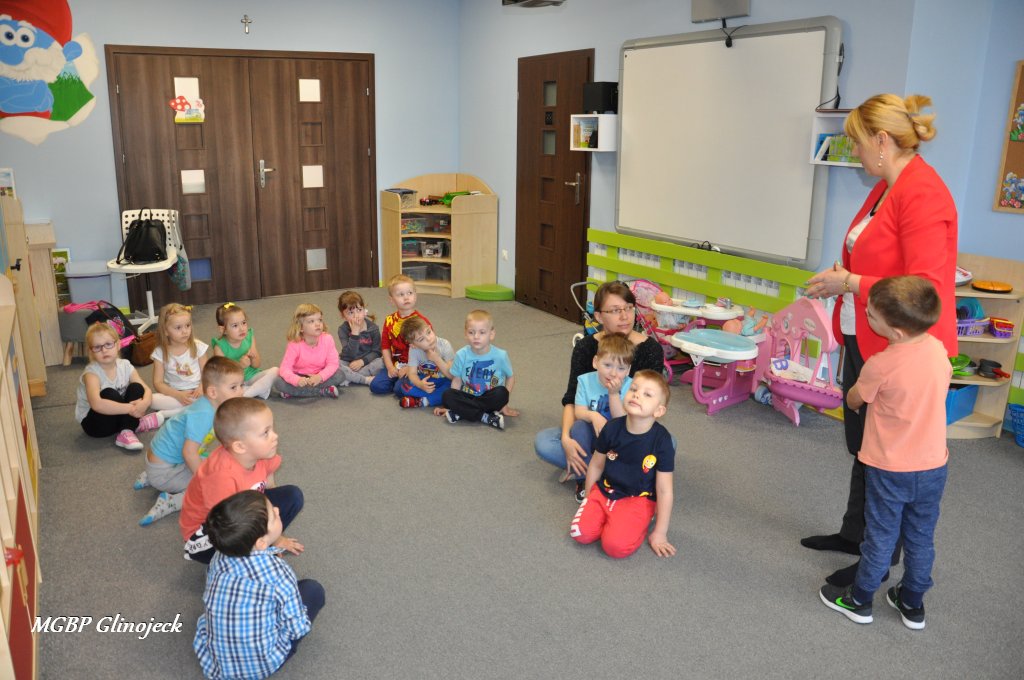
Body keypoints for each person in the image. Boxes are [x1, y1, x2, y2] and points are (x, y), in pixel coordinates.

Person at [802, 94, 958, 587]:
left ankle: (878, 557)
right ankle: (856, 534)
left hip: (899, 346)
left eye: (857, 142)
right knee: (863, 445)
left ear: (882, 140)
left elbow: (923, 289)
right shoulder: (887, 187)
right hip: (865, 333)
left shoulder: (923, 193)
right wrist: (845, 278)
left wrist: (849, 282)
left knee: (888, 456)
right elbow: (873, 253)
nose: (855, 152)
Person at [819, 276, 950, 630]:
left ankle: (859, 599)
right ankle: (912, 601)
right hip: (933, 467)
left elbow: (855, 398)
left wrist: (853, 396)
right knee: (920, 537)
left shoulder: (881, 364)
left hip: (890, 468)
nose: (866, 315)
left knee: (880, 534)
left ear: (896, 331)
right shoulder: (938, 351)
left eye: (871, 315)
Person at [534, 280, 665, 481]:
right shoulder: (586, 348)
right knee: (544, 442)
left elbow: (650, 407)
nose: (624, 316)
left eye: (629, 308)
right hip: (589, 430)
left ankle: (586, 470)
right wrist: (567, 439)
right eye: (615, 310)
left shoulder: (651, 350)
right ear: (598, 316)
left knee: (667, 444)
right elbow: (571, 400)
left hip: (629, 432)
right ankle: (611, 473)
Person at [194, 490, 325, 679]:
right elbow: (297, 628)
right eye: (273, 515)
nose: (278, 510)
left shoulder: (218, 557)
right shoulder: (278, 573)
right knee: (313, 590)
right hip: (259, 666)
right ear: (262, 542)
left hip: (216, 663)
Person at [180, 397, 305, 564]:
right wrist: (269, 537)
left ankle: (261, 546)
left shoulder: (262, 453)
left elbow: (268, 484)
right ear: (240, 446)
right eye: (265, 433)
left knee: (292, 496)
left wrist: (274, 533)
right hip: (211, 532)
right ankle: (242, 561)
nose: (275, 436)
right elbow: (227, 526)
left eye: (272, 429)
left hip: (243, 510)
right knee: (243, 553)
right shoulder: (220, 477)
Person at [570, 369, 676, 559]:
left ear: (659, 411)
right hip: (605, 490)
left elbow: (664, 490)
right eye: (633, 389)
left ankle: (639, 519)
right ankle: (608, 515)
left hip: (638, 498)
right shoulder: (612, 427)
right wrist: (589, 497)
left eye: (647, 394)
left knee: (615, 547)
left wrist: (660, 532)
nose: (636, 394)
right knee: (580, 533)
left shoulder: (662, 440)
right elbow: (596, 465)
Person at [135, 357, 245, 527]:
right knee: (213, 485)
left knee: (215, 463)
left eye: (241, 385)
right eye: (234, 387)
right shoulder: (204, 415)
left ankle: (150, 476)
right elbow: (189, 453)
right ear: (213, 392)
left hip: (163, 460)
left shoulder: (209, 404)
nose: (241, 392)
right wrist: (204, 479)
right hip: (165, 471)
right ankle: (170, 502)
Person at [568, 332, 634, 502]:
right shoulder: (584, 381)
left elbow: (623, 422)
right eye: (607, 365)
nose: (613, 373)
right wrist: (593, 415)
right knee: (577, 427)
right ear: (595, 362)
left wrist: (613, 394)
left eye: (621, 368)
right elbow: (579, 412)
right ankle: (583, 479)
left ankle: (606, 474)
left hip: (616, 441)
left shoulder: (631, 386)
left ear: (628, 370)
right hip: (593, 437)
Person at [75, 322, 162, 451]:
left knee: (136, 387)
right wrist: (132, 409)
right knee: (109, 393)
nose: (104, 350)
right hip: (96, 425)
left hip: (118, 413)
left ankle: (127, 430)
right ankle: (134, 424)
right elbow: (97, 405)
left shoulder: (125, 365)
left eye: (108, 344)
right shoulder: (91, 374)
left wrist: (144, 404)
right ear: (91, 351)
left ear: (118, 345)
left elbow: (146, 390)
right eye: (97, 347)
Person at [436, 309, 517, 430]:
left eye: (482, 332)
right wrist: (449, 406)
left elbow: (510, 377)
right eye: (471, 332)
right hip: (468, 396)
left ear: (491, 334)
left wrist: (504, 404)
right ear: (465, 333)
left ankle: (462, 412)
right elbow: (457, 381)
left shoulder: (501, 356)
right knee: (448, 395)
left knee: (502, 393)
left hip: (489, 398)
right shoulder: (461, 354)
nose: (476, 337)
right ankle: (485, 417)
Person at [370, 275, 431, 396]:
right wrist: (389, 367)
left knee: (399, 390)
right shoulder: (389, 320)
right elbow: (385, 347)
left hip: (415, 366)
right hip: (395, 364)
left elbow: (429, 348)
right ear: (392, 300)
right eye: (401, 294)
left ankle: (401, 384)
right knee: (376, 386)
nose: (406, 297)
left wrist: (409, 368)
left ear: (415, 295)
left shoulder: (422, 322)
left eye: (410, 293)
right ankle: (399, 383)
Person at [273, 303, 346, 399]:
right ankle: (322, 391)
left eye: (320, 320)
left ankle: (296, 392)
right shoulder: (294, 344)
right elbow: (284, 369)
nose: (318, 324)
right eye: (311, 321)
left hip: (319, 375)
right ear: (301, 327)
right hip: (300, 377)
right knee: (278, 382)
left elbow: (333, 364)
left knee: (340, 375)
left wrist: (320, 377)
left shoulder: (327, 339)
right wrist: (297, 380)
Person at [150, 303, 209, 418]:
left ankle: (166, 414)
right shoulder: (160, 352)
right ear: (165, 331)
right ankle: (195, 408)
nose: (185, 331)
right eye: (178, 328)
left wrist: (202, 387)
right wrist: (178, 395)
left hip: (198, 392)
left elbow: (208, 373)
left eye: (187, 325)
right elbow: (158, 383)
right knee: (152, 400)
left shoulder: (198, 346)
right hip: (175, 394)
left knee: (216, 392)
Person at [210, 302, 278, 400]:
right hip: (234, 382)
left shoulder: (249, 336)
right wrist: (239, 366)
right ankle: (257, 390)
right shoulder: (220, 346)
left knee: (276, 371)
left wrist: (253, 358)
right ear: (223, 330)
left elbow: (256, 365)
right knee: (223, 388)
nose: (242, 329)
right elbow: (222, 375)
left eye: (244, 323)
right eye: (235, 325)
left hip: (252, 376)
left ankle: (247, 393)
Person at [397, 315, 454, 409]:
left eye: (428, 332)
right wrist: (420, 384)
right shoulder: (414, 350)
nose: (429, 339)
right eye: (421, 339)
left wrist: (436, 359)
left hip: (444, 380)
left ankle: (423, 401)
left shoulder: (444, 345)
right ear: (413, 345)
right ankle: (426, 398)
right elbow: (412, 373)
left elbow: (451, 376)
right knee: (403, 387)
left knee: (451, 391)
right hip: (426, 379)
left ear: (430, 327)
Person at [337, 290, 383, 386]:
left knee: (381, 362)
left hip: (367, 362)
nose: (356, 316)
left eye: (359, 310)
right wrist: (355, 333)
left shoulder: (373, 328)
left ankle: (350, 378)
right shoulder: (343, 329)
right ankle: (362, 379)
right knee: (335, 364)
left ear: (364, 310)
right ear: (343, 315)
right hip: (349, 362)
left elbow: (377, 352)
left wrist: (362, 361)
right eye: (350, 312)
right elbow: (348, 355)